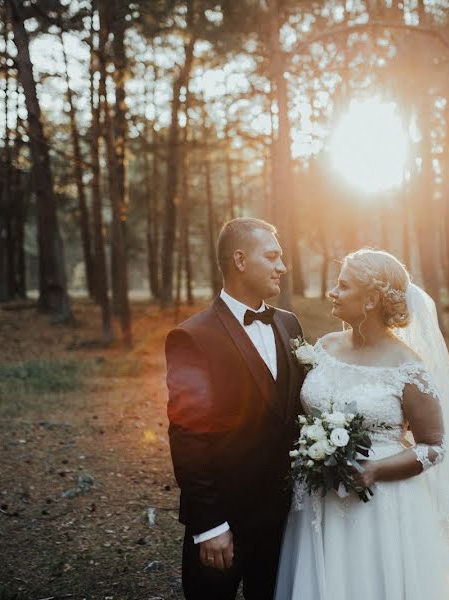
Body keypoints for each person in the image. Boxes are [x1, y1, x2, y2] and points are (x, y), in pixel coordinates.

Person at [274, 248, 449, 600]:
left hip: (380, 505)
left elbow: (434, 445)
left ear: (370, 300)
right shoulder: (324, 346)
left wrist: (375, 470)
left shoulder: (407, 367)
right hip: (317, 501)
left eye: (343, 286)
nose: (332, 293)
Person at [165, 217, 306, 600]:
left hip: (284, 521)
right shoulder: (192, 337)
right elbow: (187, 437)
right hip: (224, 523)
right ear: (241, 260)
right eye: (273, 256)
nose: (283, 267)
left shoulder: (290, 326)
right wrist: (209, 525)